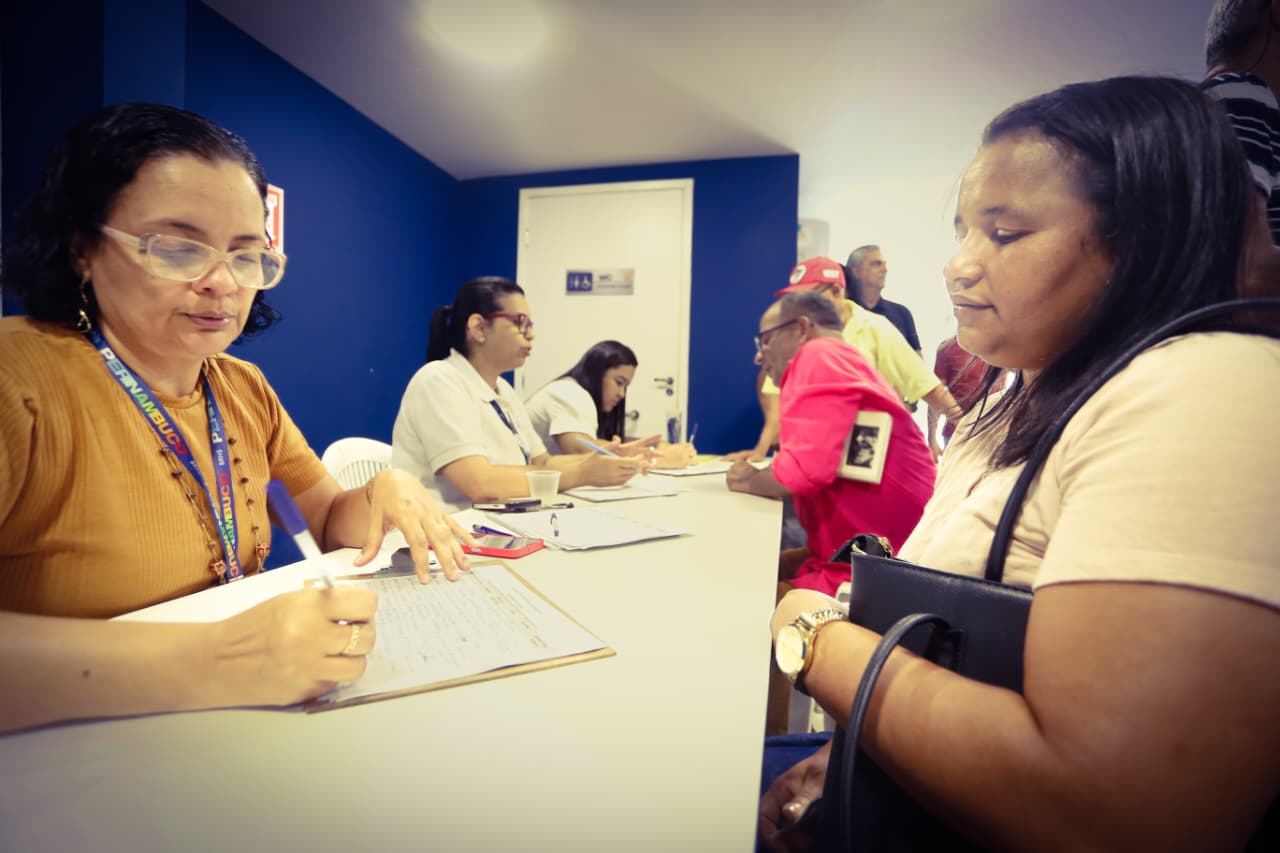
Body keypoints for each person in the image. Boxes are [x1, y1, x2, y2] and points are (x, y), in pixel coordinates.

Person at [759, 76, 1280, 851]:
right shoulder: (1015, 398)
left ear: (1143, 238)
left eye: (1003, 235)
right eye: (964, 231)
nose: (958, 267)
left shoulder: (1202, 386)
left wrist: (815, 641)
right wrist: (851, 751)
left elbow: (1120, 809)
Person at [0, 103, 471, 735]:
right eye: (176, 248)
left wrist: (382, 491)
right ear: (82, 248)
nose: (222, 283)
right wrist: (223, 659)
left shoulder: (240, 387)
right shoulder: (18, 379)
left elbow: (328, 520)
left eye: (246, 256)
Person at [728, 291, 936, 735]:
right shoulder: (839, 358)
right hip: (876, 550)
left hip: (878, 564)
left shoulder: (817, 355)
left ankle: (773, 743)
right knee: (757, 573)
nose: (760, 355)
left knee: (747, 599)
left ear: (801, 328)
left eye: (765, 339)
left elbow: (804, 470)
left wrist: (746, 480)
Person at [392, 278, 645, 512]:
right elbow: (479, 483)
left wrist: (600, 460)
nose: (531, 335)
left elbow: (543, 463)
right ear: (479, 328)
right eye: (520, 322)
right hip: (447, 531)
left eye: (530, 325)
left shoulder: (504, 390)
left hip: (496, 523)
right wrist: (585, 472)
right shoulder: (439, 380)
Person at [727, 258, 960, 462]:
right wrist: (759, 453)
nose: (800, 309)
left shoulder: (876, 329)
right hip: (807, 459)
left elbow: (929, 388)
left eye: (809, 298)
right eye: (796, 300)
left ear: (838, 292)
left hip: (863, 463)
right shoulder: (794, 335)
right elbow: (776, 405)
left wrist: (973, 437)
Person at [524, 339, 697, 468]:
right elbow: (581, 450)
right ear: (597, 373)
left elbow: (601, 442)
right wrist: (657, 458)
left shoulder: (576, 394)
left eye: (626, 386)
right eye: (619, 382)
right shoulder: (570, 394)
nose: (622, 394)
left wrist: (654, 446)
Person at [927, 334, 1006, 458]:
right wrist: (932, 439)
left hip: (992, 434)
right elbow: (935, 396)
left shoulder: (1002, 347)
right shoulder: (947, 349)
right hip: (956, 436)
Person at [845, 245, 921, 355]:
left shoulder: (901, 313)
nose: (885, 270)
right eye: (876, 264)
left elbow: (917, 360)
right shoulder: (844, 312)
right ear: (856, 272)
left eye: (884, 264)